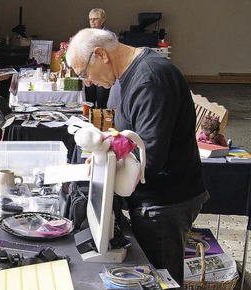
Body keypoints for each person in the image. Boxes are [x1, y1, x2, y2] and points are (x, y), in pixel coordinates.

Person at [66, 28, 209, 287]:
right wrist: (105, 152)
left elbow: (148, 159)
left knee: (162, 280)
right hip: (155, 197)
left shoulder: (150, 79)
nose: (87, 82)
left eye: (84, 73)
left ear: (100, 55)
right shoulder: (132, 75)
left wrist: (108, 161)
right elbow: (131, 137)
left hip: (165, 202)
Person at [85, 8, 117, 109]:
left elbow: (114, 55)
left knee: (102, 105)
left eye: (95, 19)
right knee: (89, 105)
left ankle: (101, 125)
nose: (92, 21)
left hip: (103, 75)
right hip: (90, 74)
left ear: (102, 20)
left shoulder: (110, 36)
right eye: (90, 19)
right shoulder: (86, 35)